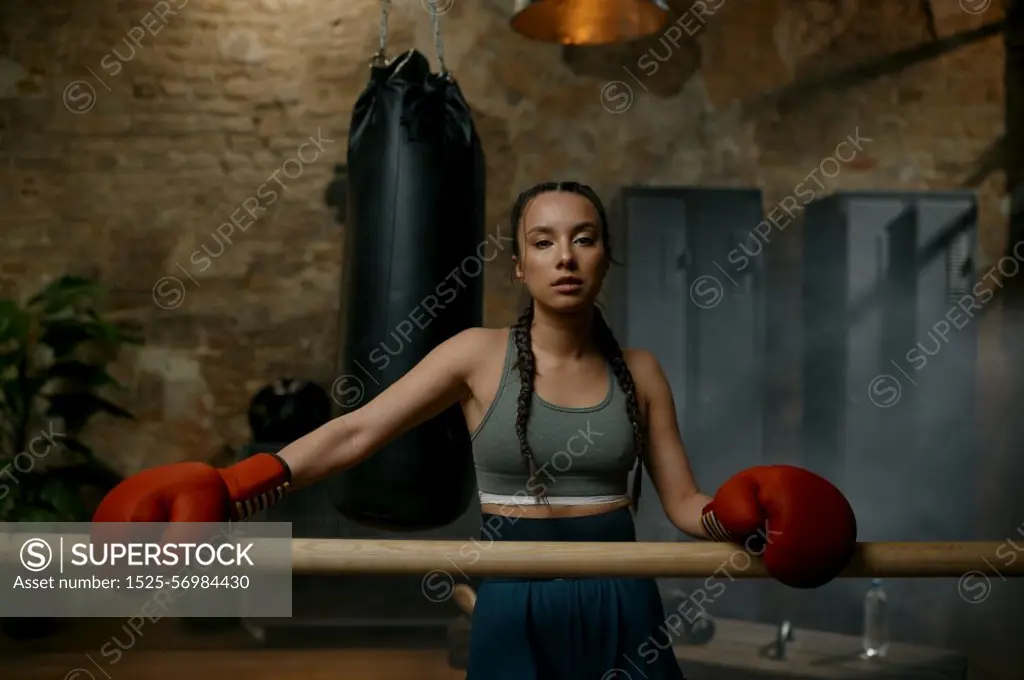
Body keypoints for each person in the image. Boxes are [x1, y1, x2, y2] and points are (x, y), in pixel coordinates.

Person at [94, 181, 857, 680]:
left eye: (584, 238)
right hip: (511, 592)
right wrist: (237, 484)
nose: (565, 255)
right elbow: (357, 432)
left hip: (623, 593)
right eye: (543, 240)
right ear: (519, 265)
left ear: (605, 258)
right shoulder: (475, 356)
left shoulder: (643, 370)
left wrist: (738, 516)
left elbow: (685, 504)